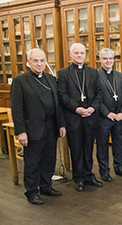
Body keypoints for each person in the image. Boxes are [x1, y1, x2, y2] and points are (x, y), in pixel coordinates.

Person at [10, 48, 66, 204]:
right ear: (28, 62)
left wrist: (61, 124)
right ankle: (31, 191)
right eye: (35, 60)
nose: (39, 64)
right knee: (33, 161)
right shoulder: (20, 81)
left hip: (51, 126)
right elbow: (17, 109)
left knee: (49, 158)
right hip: (32, 128)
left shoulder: (50, 79)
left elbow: (58, 105)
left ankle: (46, 186)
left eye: (42, 60)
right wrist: (21, 131)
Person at [58, 43, 103, 192]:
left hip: (90, 117)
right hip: (74, 118)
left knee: (88, 148)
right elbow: (62, 95)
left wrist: (92, 108)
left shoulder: (93, 72)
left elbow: (99, 94)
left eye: (82, 53)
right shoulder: (63, 73)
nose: (79, 55)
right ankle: (79, 178)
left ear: (86, 54)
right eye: (76, 53)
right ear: (71, 55)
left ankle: (89, 175)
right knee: (76, 149)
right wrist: (76, 108)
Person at [95, 48, 122, 182]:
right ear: (100, 60)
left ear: (114, 60)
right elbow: (96, 98)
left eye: (110, 58)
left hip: (119, 116)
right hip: (104, 117)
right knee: (102, 145)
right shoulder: (96, 76)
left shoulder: (120, 76)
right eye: (105, 58)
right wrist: (108, 113)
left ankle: (119, 167)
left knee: (119, 143)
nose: (108, 61)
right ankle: (104, 170)